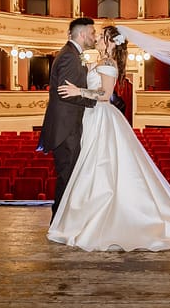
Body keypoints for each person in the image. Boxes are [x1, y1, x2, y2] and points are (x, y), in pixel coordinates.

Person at [48, 25, 170, 251]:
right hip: (92, 118)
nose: (97, 39)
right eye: (97, 36)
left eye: (102, 37)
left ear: (111, 42)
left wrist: (78, 92)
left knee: (102, 166)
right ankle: (87, 216)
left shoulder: (108, 64)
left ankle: (105, 217)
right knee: (91, 168)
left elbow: (104, 95)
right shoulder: (102, 62)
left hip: (102, 117)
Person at [37, 16, 99, 222]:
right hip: (66, 128)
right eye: (92, 33)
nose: (94, 36)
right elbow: (66, 92)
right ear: (81, 34)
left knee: (69, 175)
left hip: (68, 126)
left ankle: (63, 221)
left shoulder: (72, 54)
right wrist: (95, 100)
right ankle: (60, 222)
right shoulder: (70, 57)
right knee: (67, 176)